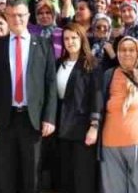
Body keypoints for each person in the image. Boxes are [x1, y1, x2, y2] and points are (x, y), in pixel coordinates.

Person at [0, 0, 57, 193]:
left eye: (21, 15)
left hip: (33, 121)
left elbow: (50, 83)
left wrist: (49, 117)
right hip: (5, 120)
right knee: (6, 176)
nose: (17, 19)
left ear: (28, 16)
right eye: (12, 15)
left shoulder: (43, 44)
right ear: (6, 16)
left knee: (32, 177)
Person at [93, 36, 138, 193]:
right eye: (123, 50)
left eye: (131, 50)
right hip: (110, 146)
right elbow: (99, 104)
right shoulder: (108, 75)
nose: (127, 54)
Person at [54, 22, 100, 193]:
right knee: (65, 177)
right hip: (61, 128)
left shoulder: (92, 64)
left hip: (82, 129)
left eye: (74, 38)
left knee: (83, 178)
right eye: (66, 38)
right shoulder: (59, 63)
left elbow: (97, 97)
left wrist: (94, 125)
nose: (70, 41)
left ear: (81, 39)